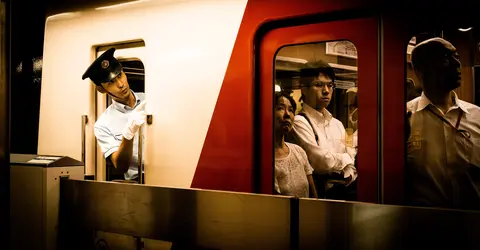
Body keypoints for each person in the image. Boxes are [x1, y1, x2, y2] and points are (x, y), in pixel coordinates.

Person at [406, 37, 480, 209]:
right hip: (421, 223)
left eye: (457, 57)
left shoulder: (477, 116)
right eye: (446, 58)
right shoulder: (404, 117)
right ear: (419, 70)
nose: (457, 64)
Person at [287, 61, 357, 199]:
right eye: (319, 85)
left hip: (344, 192)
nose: (326, 91)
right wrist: (346, 160)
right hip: (320, 195)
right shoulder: (300, 122)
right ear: (304, 89)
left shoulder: (337, 124)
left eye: (330, 85)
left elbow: (351, 151)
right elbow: (320, 161)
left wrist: (348, 164)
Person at [82, 48, 147, 182]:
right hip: (138, 181)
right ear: (101, 89)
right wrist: (128, 134)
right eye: (111, 82)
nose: (120, 84)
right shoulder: (102, 125)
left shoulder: (150, 99)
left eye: (119, 75)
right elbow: (121, 166)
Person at [274, 92, 318, 198]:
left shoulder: (299, 151)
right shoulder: (266, 159)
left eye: (291, 110)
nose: (287, 114)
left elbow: (313, 195)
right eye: (280, 108)